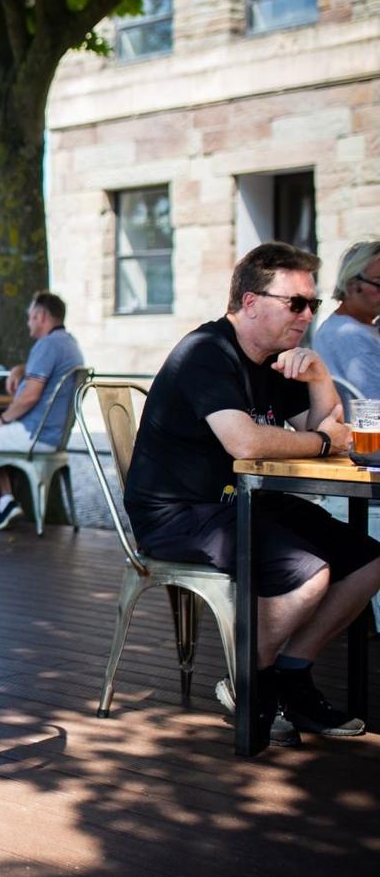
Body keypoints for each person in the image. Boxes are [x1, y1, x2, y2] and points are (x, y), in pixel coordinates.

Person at [125, 242, 380, 745]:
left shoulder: (274, 359)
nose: (306, 315)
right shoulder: (206, 352)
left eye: (312, 304)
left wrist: (320, 376)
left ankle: (290, 674)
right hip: (180, 511)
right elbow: (247, 441)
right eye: (296, 303)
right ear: (249, 301)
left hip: (244, 500)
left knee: (369, 559)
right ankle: (251, 683)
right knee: (307, 571)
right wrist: (325, 439)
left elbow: (329, 427)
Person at [0, 291, 85, 530]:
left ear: (41, 316)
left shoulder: (46, 345)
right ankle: (6, 501)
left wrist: (2, 421)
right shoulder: (68, 343)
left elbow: (29, 396)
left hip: (35, 433)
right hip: (54, 434)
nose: (28, 323)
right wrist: (21, 369)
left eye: (30, 317)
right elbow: (45, 371)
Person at [312, 239, 380, 402]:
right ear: (351, 284)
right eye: (378, 282)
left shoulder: (361, 326)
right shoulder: (348, 334)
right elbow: (374, 401)